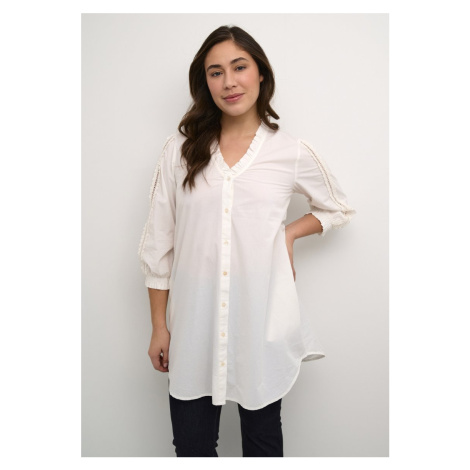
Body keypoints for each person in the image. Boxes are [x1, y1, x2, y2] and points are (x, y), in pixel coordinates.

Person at [138, 25, 355, 457]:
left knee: (263, 447)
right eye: (215, 72)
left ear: (260, 74)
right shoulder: (180, 150)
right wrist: (159, 326)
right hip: (193, 329)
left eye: (239, 67)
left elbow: (338, 208)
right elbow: (159, 243)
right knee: (192, 448)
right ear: (205, 82)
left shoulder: (288, 151)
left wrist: (289, 233)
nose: (229, 82)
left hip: (258, 325)